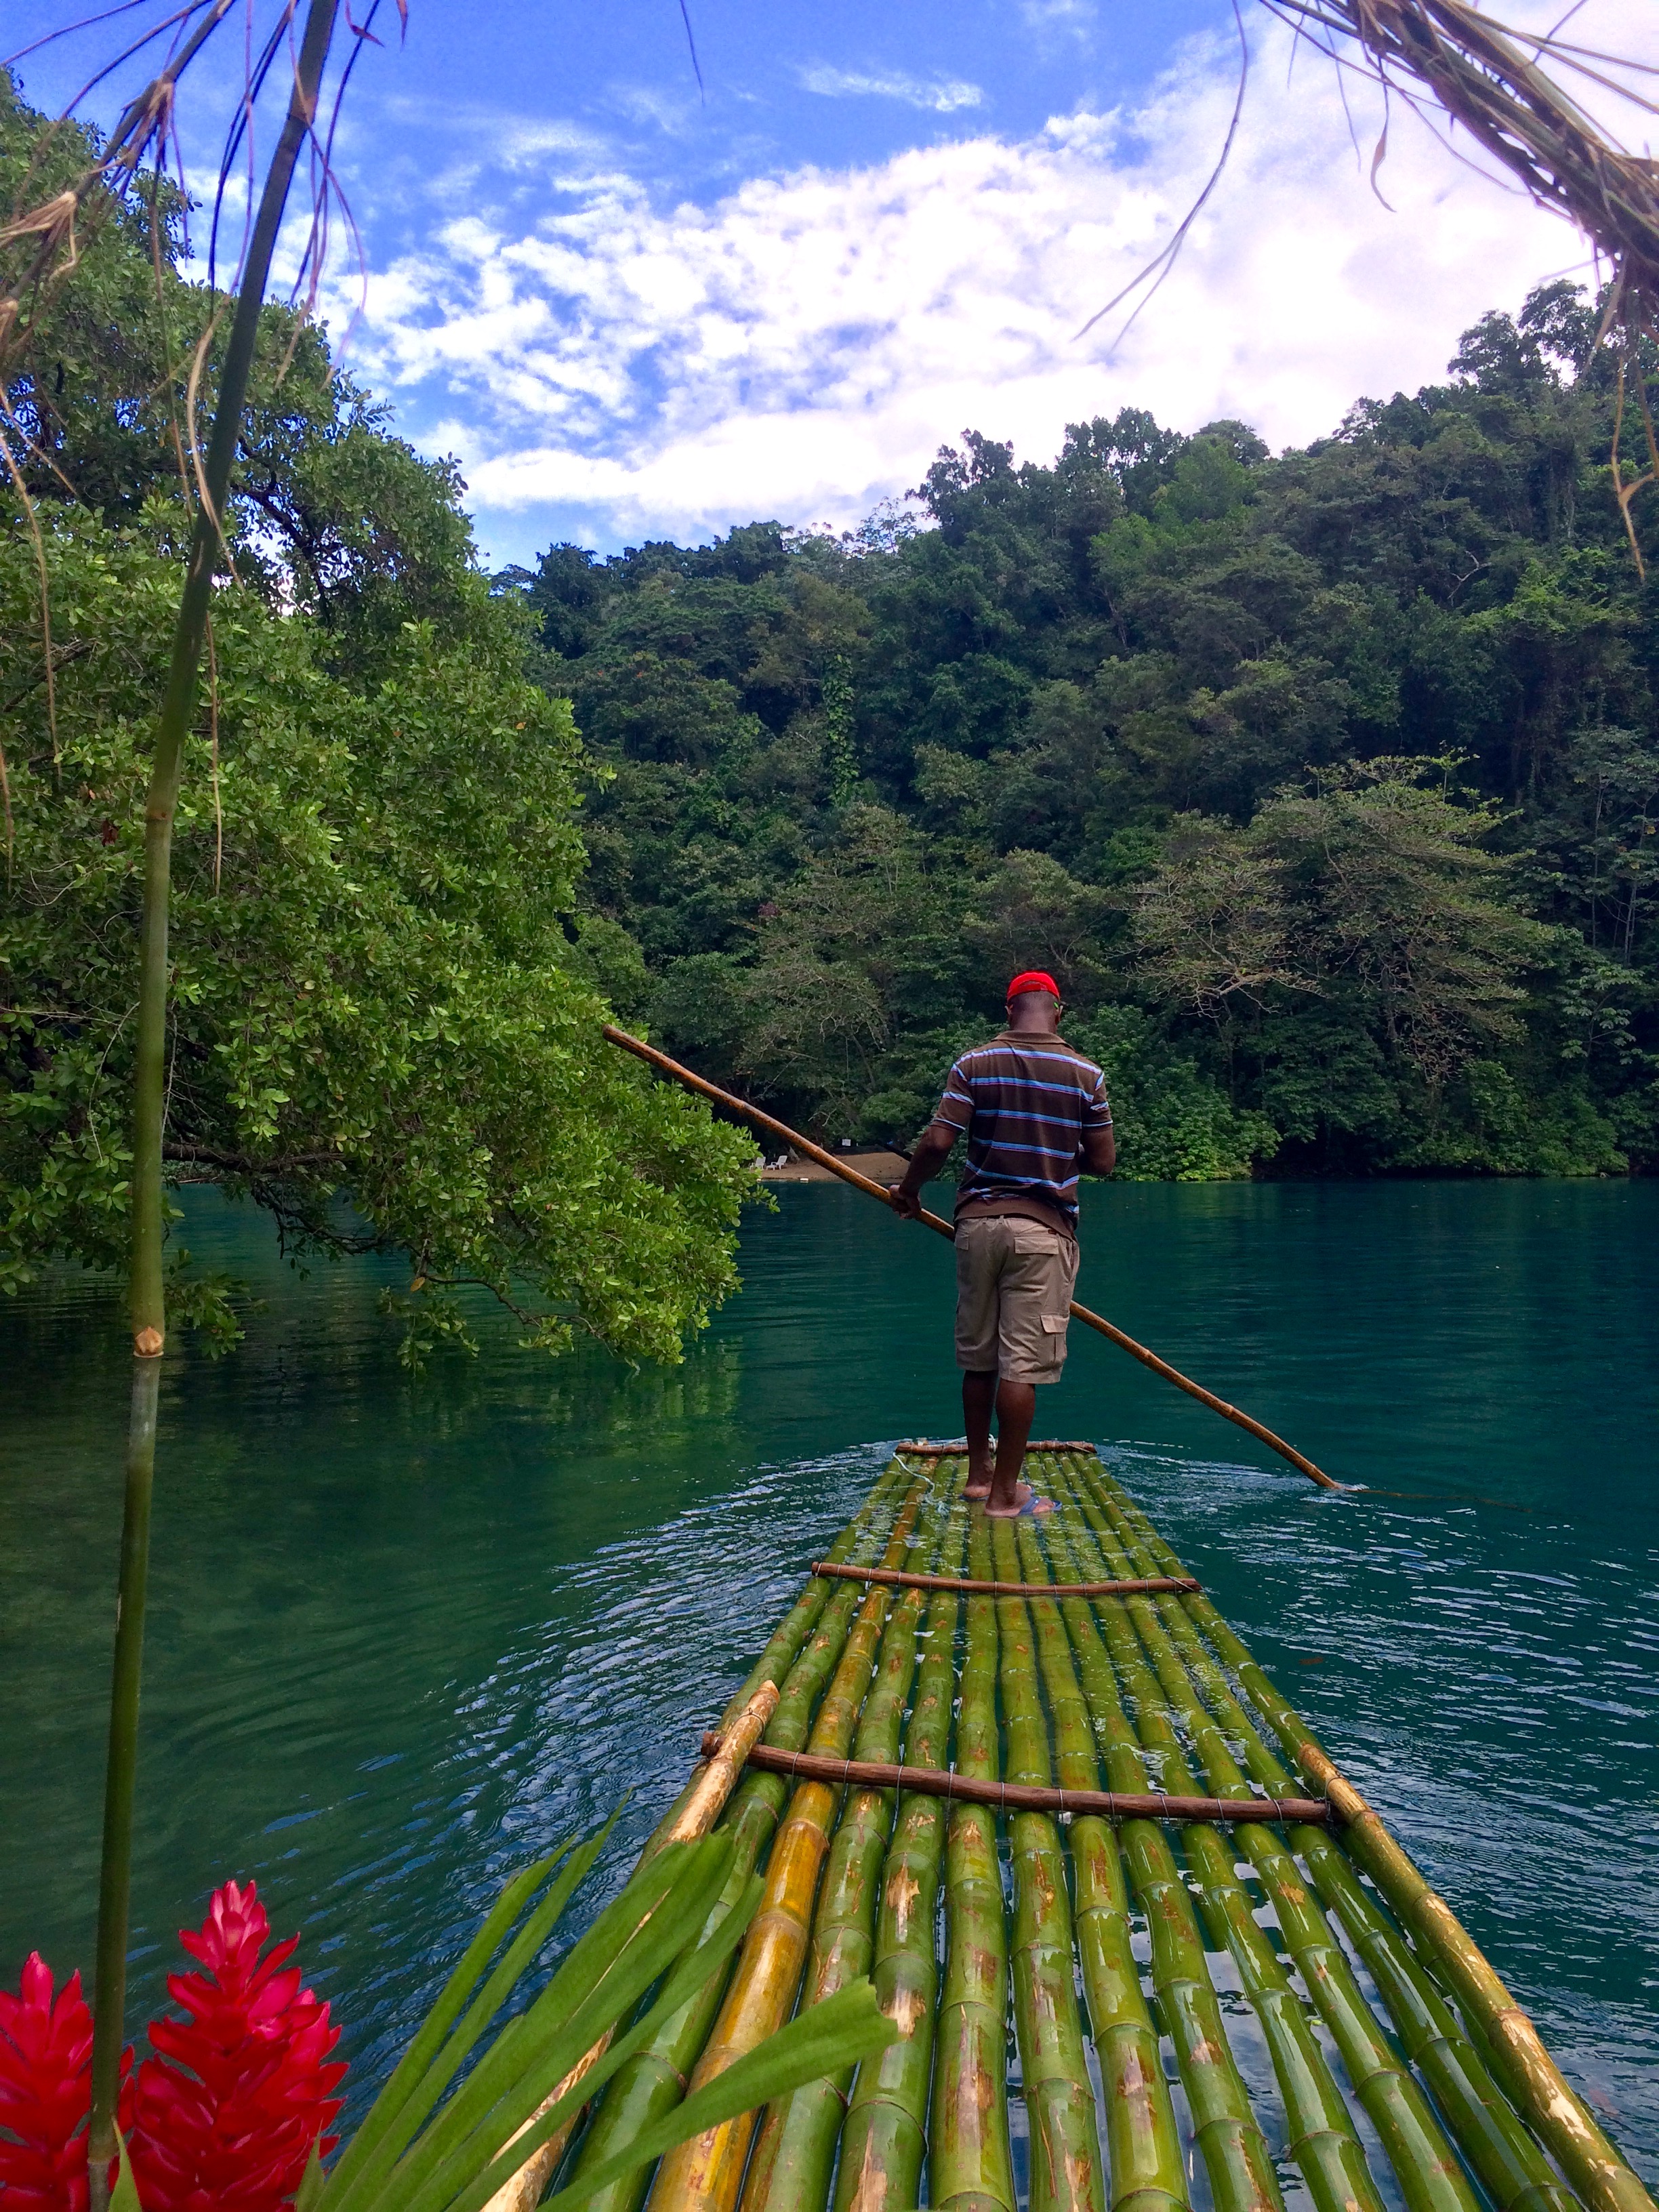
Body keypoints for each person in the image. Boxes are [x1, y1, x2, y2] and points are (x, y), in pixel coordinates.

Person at [889, 971, 1115, 1515]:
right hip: (1043, 1233)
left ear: (1009, 1009)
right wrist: (1055, 1152)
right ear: (1058, 1011)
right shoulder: (1087, 1075)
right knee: (1022, 1367)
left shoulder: (974, 1064)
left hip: (978, 1229)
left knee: (980, 1360)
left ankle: (978, 1477)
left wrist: (909, 1191)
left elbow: (937, 1141)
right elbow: (1104, 1163)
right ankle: (1005, 1497)